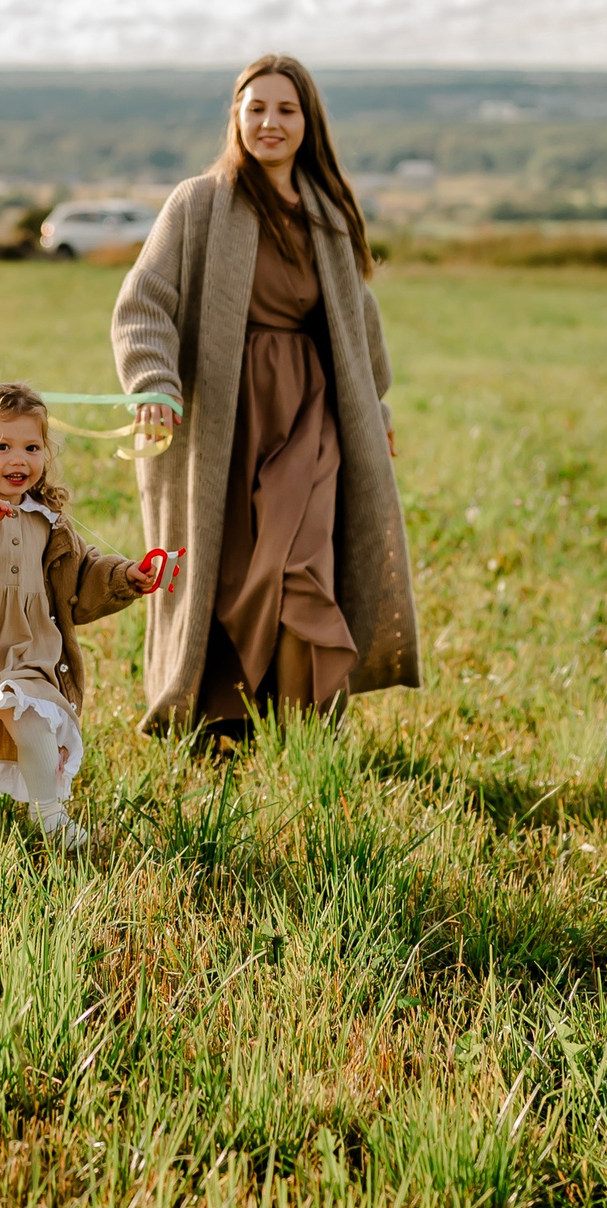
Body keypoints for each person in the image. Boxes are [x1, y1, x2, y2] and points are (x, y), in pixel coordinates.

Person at [110, 53, 419, 738]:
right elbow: (144, 302)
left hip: (311, 416)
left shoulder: (329, 217)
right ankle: (221, 718)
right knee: (233, 570)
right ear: (236, 117)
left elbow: (359, 323)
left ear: (309, 122)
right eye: (256, 109)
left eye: (285, 109)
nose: (270, 123)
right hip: (225, 417)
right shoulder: (199, 203)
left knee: (304, 562)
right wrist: (153, 382)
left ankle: (304, 725)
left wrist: (376, 410)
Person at [0, 384, 163, 848]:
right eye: (2, 446)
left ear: (46, 451)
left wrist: (123, 577)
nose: (17, 459)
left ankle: (50, 816)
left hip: (27, 650)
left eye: (31, 447)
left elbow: (79, 576)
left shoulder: (47, 517)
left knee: (35, 724)